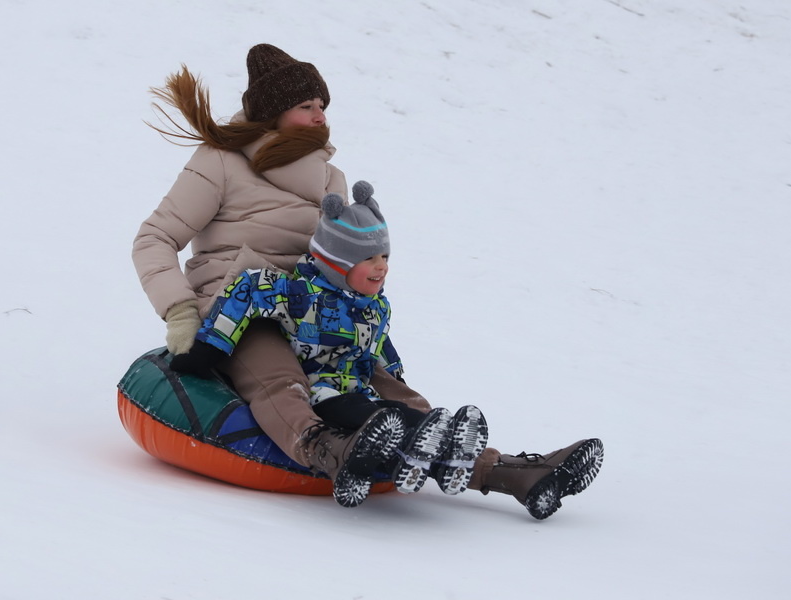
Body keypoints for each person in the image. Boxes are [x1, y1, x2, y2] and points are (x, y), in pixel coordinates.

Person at [133, 42, 603, 520]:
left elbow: (338, 256)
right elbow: (154, 238)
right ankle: (329, 450)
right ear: (273, 114)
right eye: (306, 106)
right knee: (279, 378)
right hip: (240, 307)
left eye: (322, 106)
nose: (320, 116)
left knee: (386, 385)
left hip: (313, 309)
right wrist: (181, 312)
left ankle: (510, 472)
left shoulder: (330, 178)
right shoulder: (220, 161)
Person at [170, 183, 490, 507]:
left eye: (385, 256)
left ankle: (446, 449)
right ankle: (417, 448)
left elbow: (381, 343)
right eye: (369, 258)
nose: (381, 266)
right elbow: (248, 290)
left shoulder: (375, 305)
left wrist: (396, 376)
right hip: (320, 391)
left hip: (359, 388)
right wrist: (209, 348)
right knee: (370, 414)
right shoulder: (301, 294)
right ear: (336, 263)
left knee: (393, 411)